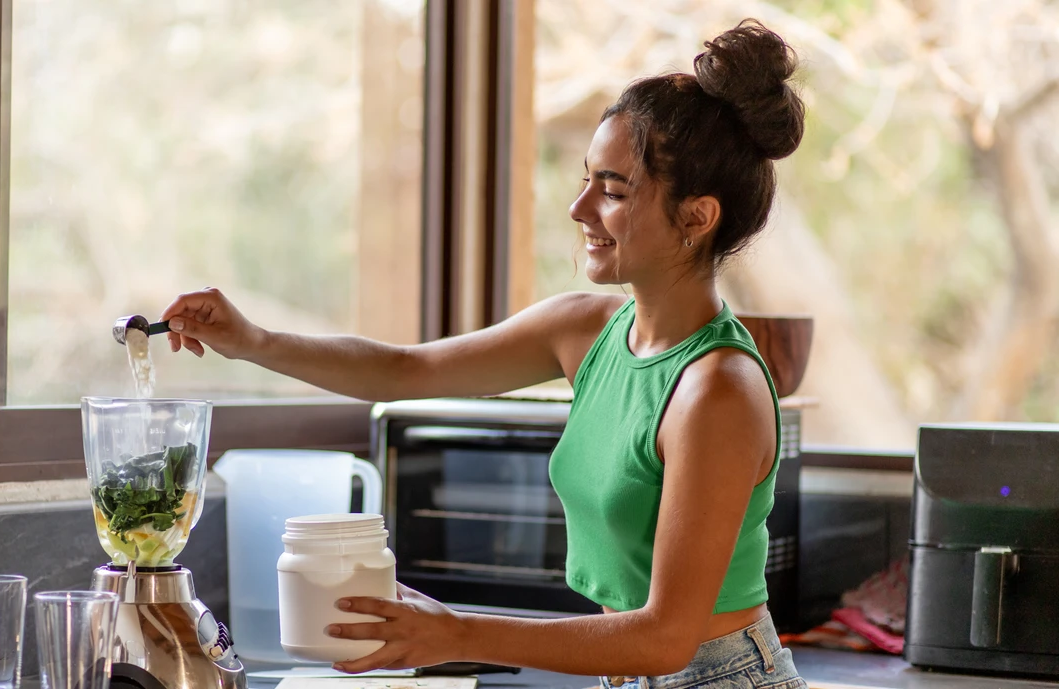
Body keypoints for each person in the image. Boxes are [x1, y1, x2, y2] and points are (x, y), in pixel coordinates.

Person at [160, 18, 807, 689]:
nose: (579, 206)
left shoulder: (718, 391)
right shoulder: (586, 329)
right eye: (587, 179)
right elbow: (405, 370)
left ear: (698, 217)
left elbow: (666, 636)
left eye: (613, 190)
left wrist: (455, 633)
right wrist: (253, 342)